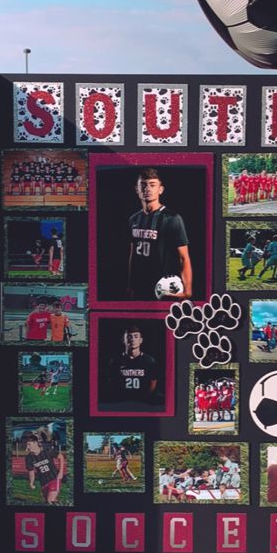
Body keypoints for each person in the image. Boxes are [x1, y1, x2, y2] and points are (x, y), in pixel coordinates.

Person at [127, 168, 192, 300]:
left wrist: (188, 291)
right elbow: (132, 255)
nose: (147, 189)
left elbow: (183, 257)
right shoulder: (134, 219)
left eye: (152, 185)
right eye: (143, 185)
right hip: (139, 286)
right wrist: (130, 284)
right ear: (137, 189)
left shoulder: (172, 218)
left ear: (160, 189)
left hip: (164, 287)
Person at [107, 325, 158, 405]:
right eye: (129, 337)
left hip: (143, 402)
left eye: (136, 336)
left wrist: (146, 397)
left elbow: (153, 382)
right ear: (123, 340)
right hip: (121, 401)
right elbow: (111, 382)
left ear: (141, 340)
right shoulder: (115, 361)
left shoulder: (149, 361)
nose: (133, 339)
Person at [24, 433, 65, 504]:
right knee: (47, 502)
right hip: (43, 483)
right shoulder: (29, 458)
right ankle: (64, 504)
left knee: (50, 500)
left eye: (29, 444)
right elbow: (31, 472)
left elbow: (61, 457)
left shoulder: (47, 450)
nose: (27, 447)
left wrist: (61, 472)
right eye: (27, 444)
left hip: (54, 478)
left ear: (35, 443)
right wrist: (31, 482)